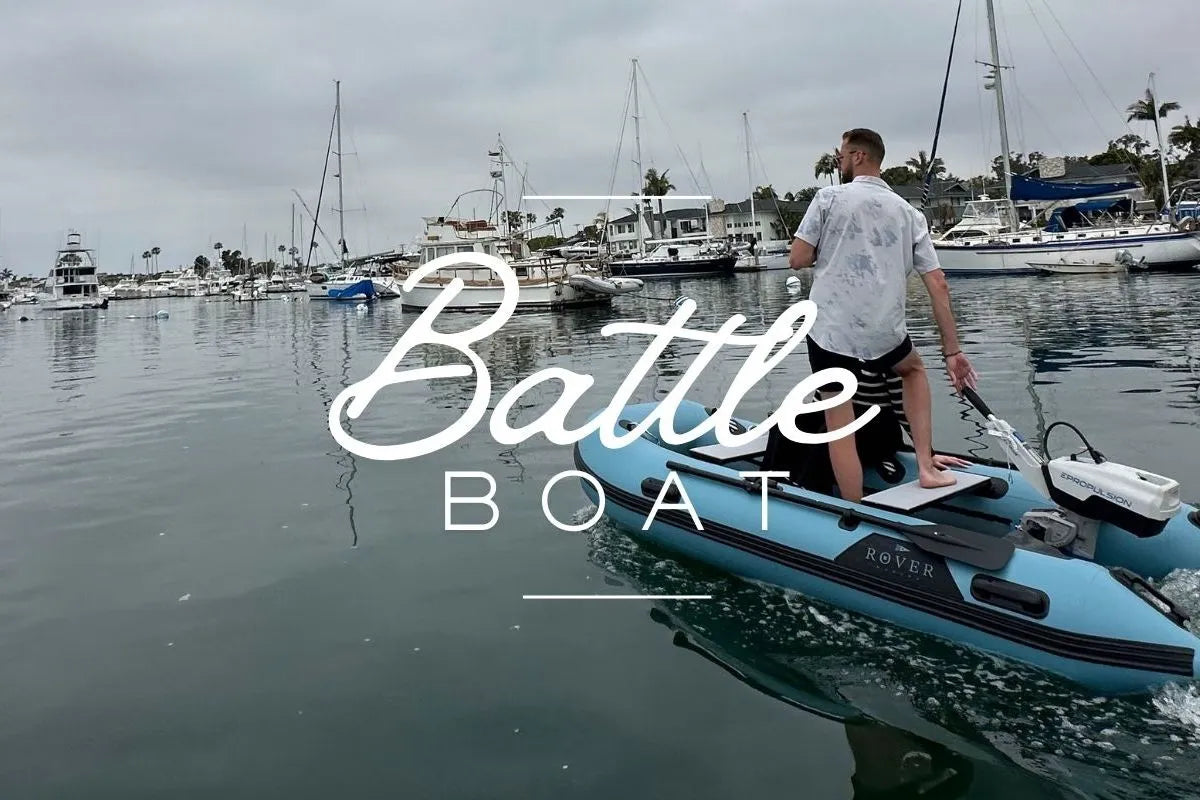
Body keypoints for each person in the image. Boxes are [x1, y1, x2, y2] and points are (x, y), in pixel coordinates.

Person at [788, 127, 977, 503]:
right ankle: (926, 466)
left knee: (839, 422)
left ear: (859, 156)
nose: (839, 162)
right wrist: (953, 352)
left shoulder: (828, 198)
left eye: (842, 155)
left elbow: (798, 259)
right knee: (913, 370)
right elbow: (937, 282)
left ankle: (854, 508)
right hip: (885, 332)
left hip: (831, 332)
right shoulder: (909, 213)